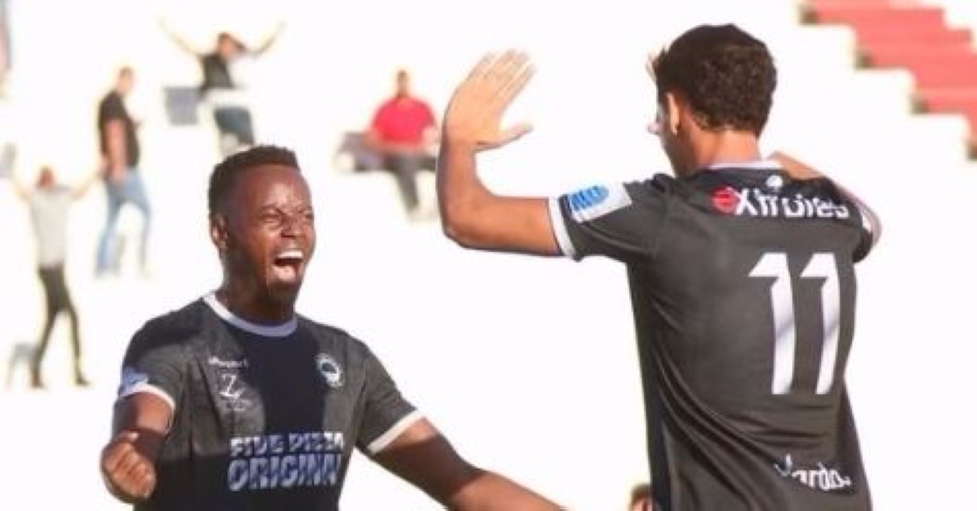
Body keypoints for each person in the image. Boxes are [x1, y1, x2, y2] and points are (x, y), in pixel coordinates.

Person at [436, 25, 881, 510]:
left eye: (660, 113)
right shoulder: (834, 214)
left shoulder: (667, 212)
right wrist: (762, 154)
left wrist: (458, 137)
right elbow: (870, 221)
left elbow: (468, 218)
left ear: (674, 109)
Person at [98, 145, 559, 510]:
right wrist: (130, 458)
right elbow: (141, 427)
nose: (294, 230)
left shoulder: (345, 360)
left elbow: (460, 482)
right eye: (273, 218)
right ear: (221, 233)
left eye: (306, 217)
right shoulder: (174, 340)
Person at [6, 165, 97, 388]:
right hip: (48, 269)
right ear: (40, 181)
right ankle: (76, 372)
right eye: (45, 178)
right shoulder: (37, 199)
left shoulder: (61, 196)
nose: (49, 181)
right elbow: (21, 192)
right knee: (72, 315)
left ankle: (35, 370)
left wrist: (97, 170)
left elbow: (80, 191)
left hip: (58, 267)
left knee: (51, 319)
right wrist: (10, 172)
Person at [161, 20, 284, 156]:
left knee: (247, 143)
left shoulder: (241, 59)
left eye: (228, 45)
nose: (226, 48)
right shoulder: (210, 61)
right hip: (222, 106)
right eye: (223, 45)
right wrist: (169, 30)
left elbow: (262, 49)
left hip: (240, 106)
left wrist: (277, 32)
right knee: (229, 140)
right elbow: (187, 48)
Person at [96, 65, 153, 277]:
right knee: (146, 212)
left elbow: (119, 131)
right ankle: (139, 263)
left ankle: (104, 265)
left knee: (112, 219)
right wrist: (118, 167)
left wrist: (132, 127)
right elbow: (114, 134)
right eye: (130, 82)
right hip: (124, 169)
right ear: (122, 79)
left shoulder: (115, 103)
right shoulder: (112, 102)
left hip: (118, 168)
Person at [365, 68, 439, 220]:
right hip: (395, 156)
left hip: (418, 153)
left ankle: (441, 206)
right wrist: (399, 149)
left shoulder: (422, 106)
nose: (403, 86)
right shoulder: (385, 108)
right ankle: (413, 208)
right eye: (400, 82)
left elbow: (435, 133)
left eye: (406, 82)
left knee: (446, 164)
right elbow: (372, 140)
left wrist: (423, 145)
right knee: (406, 161)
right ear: (396, 84)